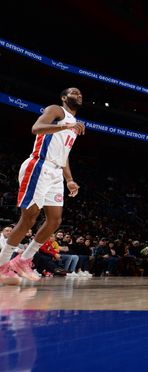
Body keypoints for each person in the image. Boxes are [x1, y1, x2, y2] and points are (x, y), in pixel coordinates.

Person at [0, 87, 85, 285]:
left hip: (56, 172)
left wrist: (69, 179)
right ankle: (3, 264)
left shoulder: (73, 124)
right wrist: (64, 127)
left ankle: (24, 260)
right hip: (39, 165)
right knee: (29, 218)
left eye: (80, 93)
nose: (78, 95)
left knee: (54, 221)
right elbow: (36, 128)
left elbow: (64, 155)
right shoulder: (56, 110)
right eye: (74, 92)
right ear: (64, 97)